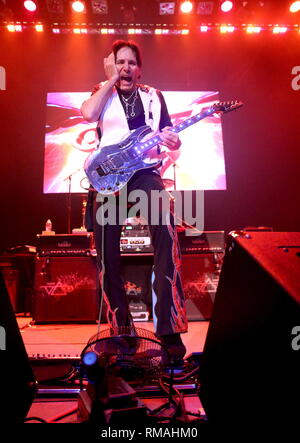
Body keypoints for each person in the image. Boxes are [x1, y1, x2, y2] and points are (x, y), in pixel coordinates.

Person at [81, 40, 188, 367]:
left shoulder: (155, 96)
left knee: (167, 233)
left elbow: (170, 134)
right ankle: (122, 331)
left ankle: (169, 332)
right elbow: (87, 114)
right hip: (110, 180)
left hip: (145, 174)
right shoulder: (102, 90)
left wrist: (174, 139)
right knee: (107, 253)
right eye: (119, 63)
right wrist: (110, 78)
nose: (126, 68)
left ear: (140, 68)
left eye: (131, 63)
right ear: (111, 66)